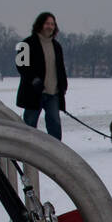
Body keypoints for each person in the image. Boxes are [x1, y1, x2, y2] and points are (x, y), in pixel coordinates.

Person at [16, 12, 68, 140]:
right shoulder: (26, 43)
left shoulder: (57, 46)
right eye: (47, 23)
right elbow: (21, 66)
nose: (50, 26)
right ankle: (26, 149)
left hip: (53, 93)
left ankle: (56, 152)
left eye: (52, 24)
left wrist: (63, 85)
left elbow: (60, 68)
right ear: (40, 24)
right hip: (34, 93)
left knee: (55, 124)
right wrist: (34, 80)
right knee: (29, 124)